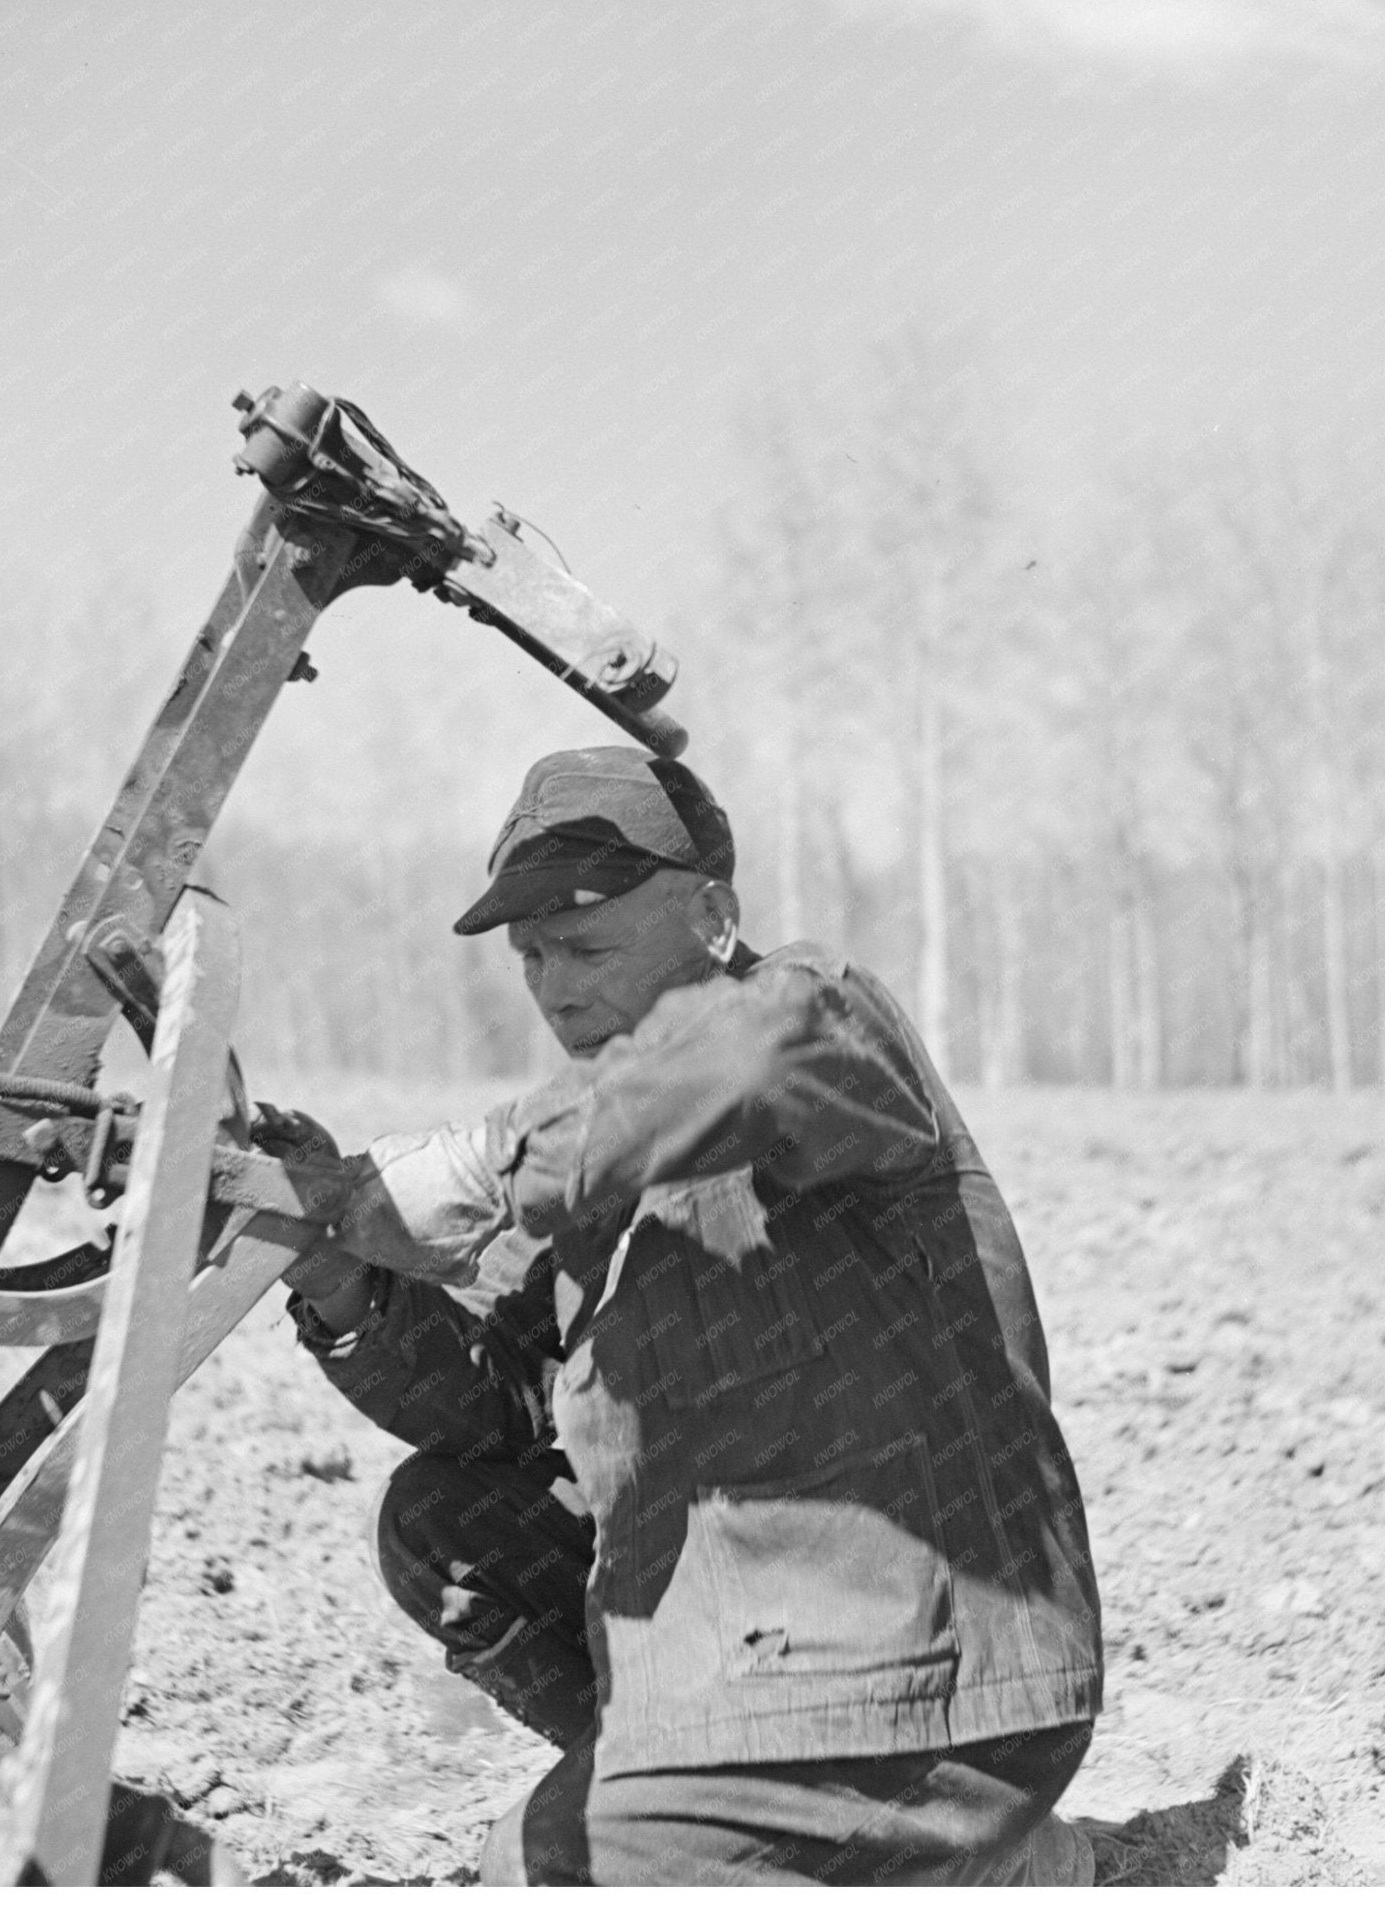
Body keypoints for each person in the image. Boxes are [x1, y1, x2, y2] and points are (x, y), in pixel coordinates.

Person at [274, 746, 1104, 1885]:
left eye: (587, 947)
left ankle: (943, 1846)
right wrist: (335, 1273)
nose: (556, 988)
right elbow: (494, 1401)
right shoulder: (595, 1151)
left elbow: (757, 1052)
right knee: (446, 1520)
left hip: (920, 1687)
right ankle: (720, 1819)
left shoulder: (821, 1024)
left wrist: (479, 1164)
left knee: (541, 1874)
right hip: (746, 1672)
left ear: (713, 917)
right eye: (531, 957)